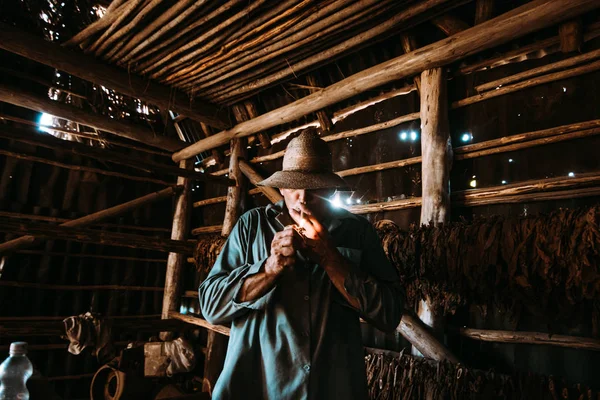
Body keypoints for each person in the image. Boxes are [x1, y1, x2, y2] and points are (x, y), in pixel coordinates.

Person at [198, 130, 404, 400]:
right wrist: (269, 269)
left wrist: (332, 258)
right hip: (258, 386)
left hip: (331, 387)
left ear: (330, 188)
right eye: (294, 187)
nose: (303, 199)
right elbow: (212, 307)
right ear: (282, 187)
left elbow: (390, 314)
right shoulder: (252, 226)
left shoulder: (357, 232)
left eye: (315, 188)